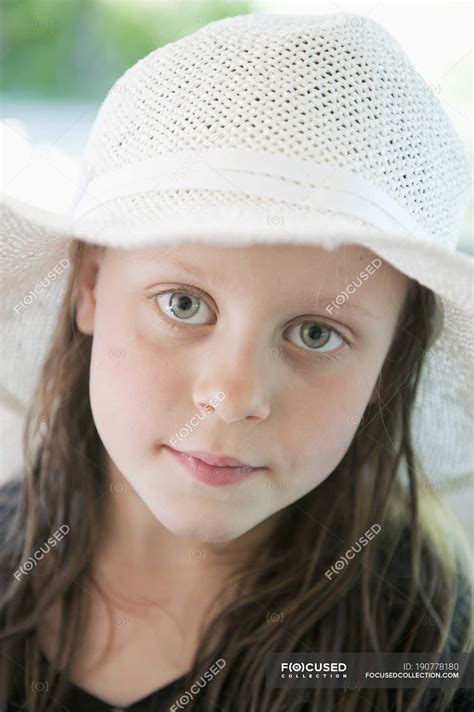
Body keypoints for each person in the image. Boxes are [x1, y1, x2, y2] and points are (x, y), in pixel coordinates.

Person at [0, 12, 472, 712]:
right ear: (91, 285)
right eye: (184, 304)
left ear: (390, 362)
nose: (232, 394)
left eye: (316, 333)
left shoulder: (416, 663)